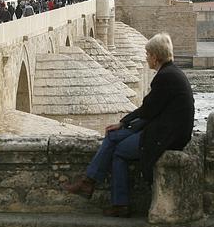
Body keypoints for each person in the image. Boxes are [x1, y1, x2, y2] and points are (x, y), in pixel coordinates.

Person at [63, 33, 194, 217]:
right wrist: (124, 125)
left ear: (155, 57)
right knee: (113, 137)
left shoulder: (164, 78)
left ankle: (99, 188)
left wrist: (123, 123)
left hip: (166, 137)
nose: (146, 58)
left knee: (118, 151)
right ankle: (101, 191)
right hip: (165, 130)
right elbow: (150, 111)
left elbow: (147, 110)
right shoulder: (172, 73)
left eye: (147, 54)